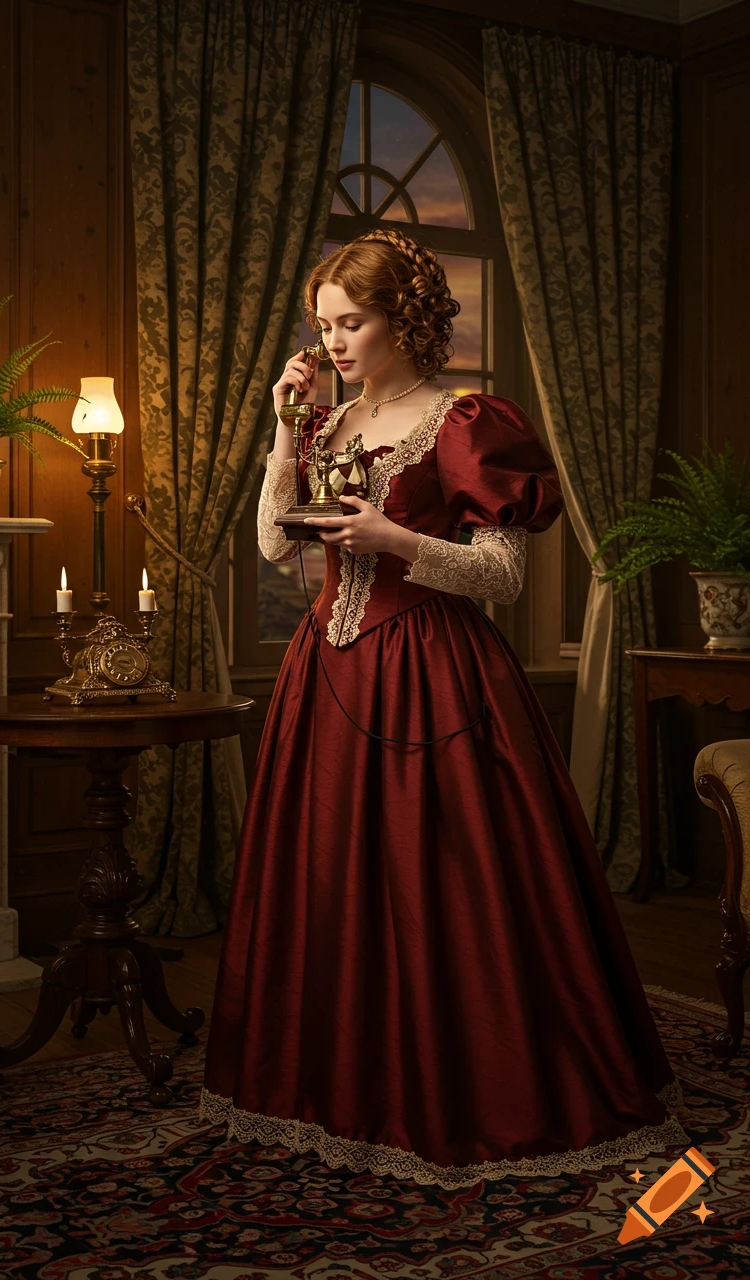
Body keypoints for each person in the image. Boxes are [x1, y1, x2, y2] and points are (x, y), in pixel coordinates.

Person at [198, 227, 687, 1189]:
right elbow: (268, 545)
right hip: (329, 673)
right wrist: (282, 425)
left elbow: (501, 577)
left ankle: (473, 1087)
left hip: (430, 669)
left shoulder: (462, 422)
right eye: (325, 326)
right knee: (332, 878)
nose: (335, 343)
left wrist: (394, 537)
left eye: (354, 321)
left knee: (448, 882)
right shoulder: (326, 426)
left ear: (404, 319)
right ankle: (337, 1086)